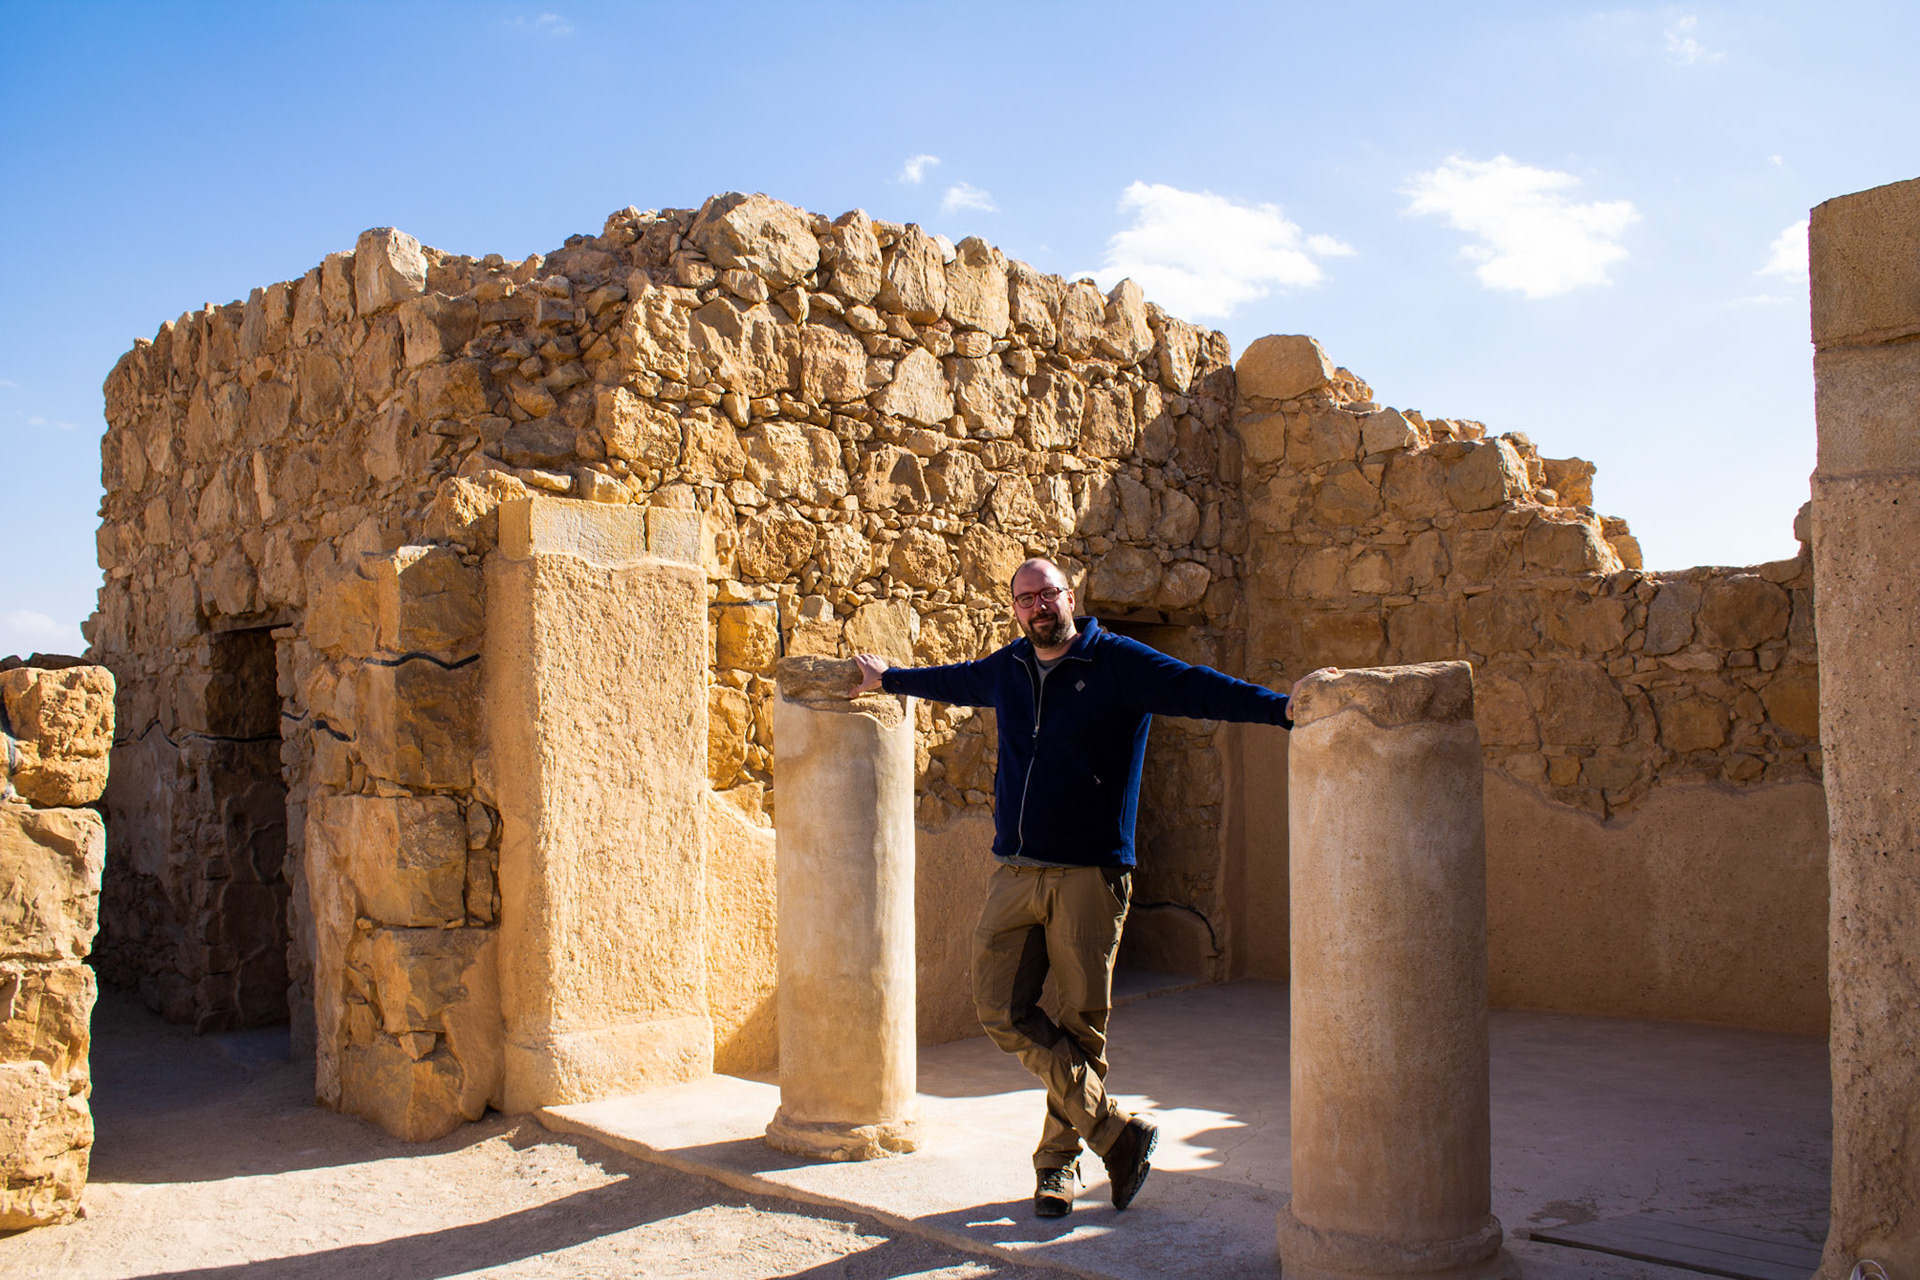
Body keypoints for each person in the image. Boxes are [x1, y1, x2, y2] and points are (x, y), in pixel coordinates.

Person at [853, 557, 1312, 1220]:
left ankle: (1056, 1166)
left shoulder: (1119, 661)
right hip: (1016, 869)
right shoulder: (1008, 668)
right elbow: (952, 682)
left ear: (1071, 596)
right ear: (1014, 608)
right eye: (1025, 598)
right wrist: (889, 677)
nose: (1038, 606)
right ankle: (1115, 1134)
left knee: (1080, 1026)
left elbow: (1198, 688)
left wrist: (1282, 710)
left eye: (1048, 593)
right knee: (998, 1009)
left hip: (1091, 875)